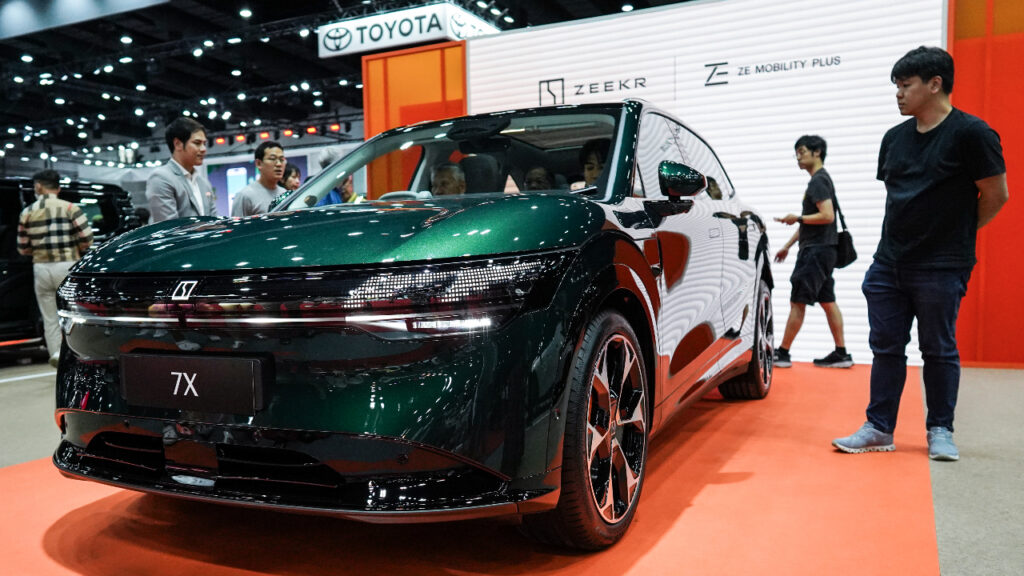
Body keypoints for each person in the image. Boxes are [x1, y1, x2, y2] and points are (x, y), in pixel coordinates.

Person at [833, 46, 1008, 461]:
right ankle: (879, 427)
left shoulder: (972, 134)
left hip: (942, 265)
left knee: (938, 349)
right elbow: (899, 199)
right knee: (886, 348)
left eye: (905, 85)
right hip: (889, 263)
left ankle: (940, 430)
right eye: (896, 85)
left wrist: (957, 235)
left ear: (935, 84)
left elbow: (996, 194)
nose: (898, 93)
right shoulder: (894, 138)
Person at [772, 135, 852, 369]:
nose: (798, 157)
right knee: (828, 300)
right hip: (824, 250)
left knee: (798, 300)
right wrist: (787, 246)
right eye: (797, 153)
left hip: (815, 252)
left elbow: (827, 216)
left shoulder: (818, 182)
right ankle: (841, 353)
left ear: (817, 153)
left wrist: (796, 217)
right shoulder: (822, 180)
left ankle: (783, 353)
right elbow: (813, 222)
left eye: (802, 151)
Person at [17, 169, 94, 367]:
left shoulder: (27, 212)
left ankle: (57, 354)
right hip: (67, 264)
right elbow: (87, 239)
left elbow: (23, 248)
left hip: (41, 267)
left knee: (49, 316)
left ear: (38, 187)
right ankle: (78, 353)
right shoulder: (70, 208)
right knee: (74, 312)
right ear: (58, 188)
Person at [147, 116, 217, 222]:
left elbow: (214, 221)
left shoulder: (203, 183)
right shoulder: (161, 178)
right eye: (197, 143)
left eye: (204, 143)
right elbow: (168, 226)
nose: (203, 149)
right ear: (178, 144)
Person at [231, 140, 286, 217]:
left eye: (281, 159)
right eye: (273, 159)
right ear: (258, 163)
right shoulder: (245, 195)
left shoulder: (284, 194)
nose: (279, 164)